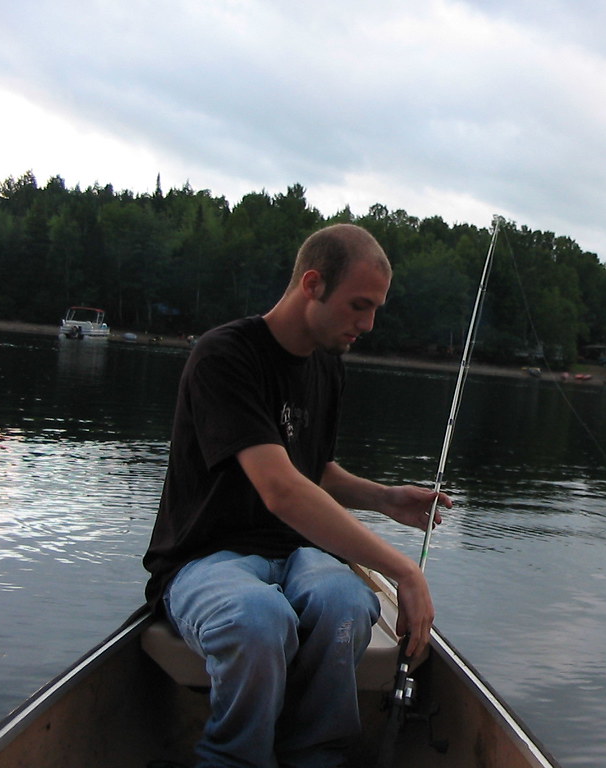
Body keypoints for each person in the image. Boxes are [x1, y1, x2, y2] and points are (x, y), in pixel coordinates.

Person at [143, 223, 450, 768]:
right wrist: (404, 570)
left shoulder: (328, 364)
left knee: (344, 605)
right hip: (205, 557)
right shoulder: (225, 357)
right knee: (257, 618)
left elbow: (312, 470)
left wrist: (383, 497)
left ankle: (315, 757)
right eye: (359, 305)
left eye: (376, 308)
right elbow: (280, 488)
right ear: (312, 284)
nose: (369, 324)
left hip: (298, 554)